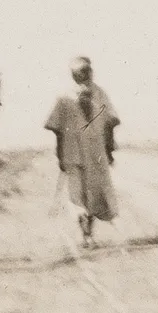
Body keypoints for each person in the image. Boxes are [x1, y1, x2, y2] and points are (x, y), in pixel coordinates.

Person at [44, 57, 120, 248]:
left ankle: (89, 233)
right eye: (80, 72)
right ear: (73, 75)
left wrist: (110, 150)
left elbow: (111, 122)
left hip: (96, 152)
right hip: (72, 153)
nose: (85, 75)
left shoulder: (100, 93)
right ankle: (85, 234)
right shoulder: (63, 97)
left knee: (93, 194)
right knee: (77, 195)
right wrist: (59, 155)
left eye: (87, 70)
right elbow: (57, 129)